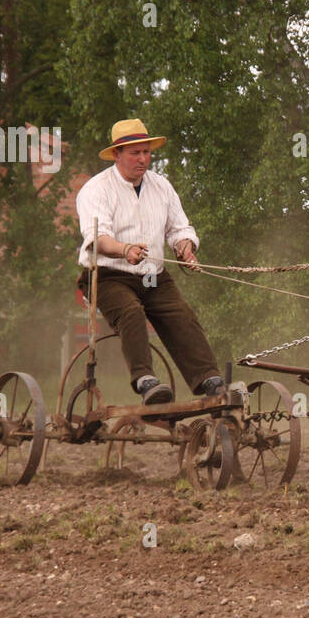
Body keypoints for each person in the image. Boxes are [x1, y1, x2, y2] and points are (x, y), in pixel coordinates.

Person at [75, 118, 224, 404]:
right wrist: (124, 249)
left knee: (182, 316)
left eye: (146, 152)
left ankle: (210, 381)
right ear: (117, 154)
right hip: (107, 276)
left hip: (153, 276)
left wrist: (185, 249)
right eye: (135, 153)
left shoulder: (162, 187)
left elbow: (180, 229)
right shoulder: (96, 190)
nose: (143, 159)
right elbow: (97, 238)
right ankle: (146, 381)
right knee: (131, 312)